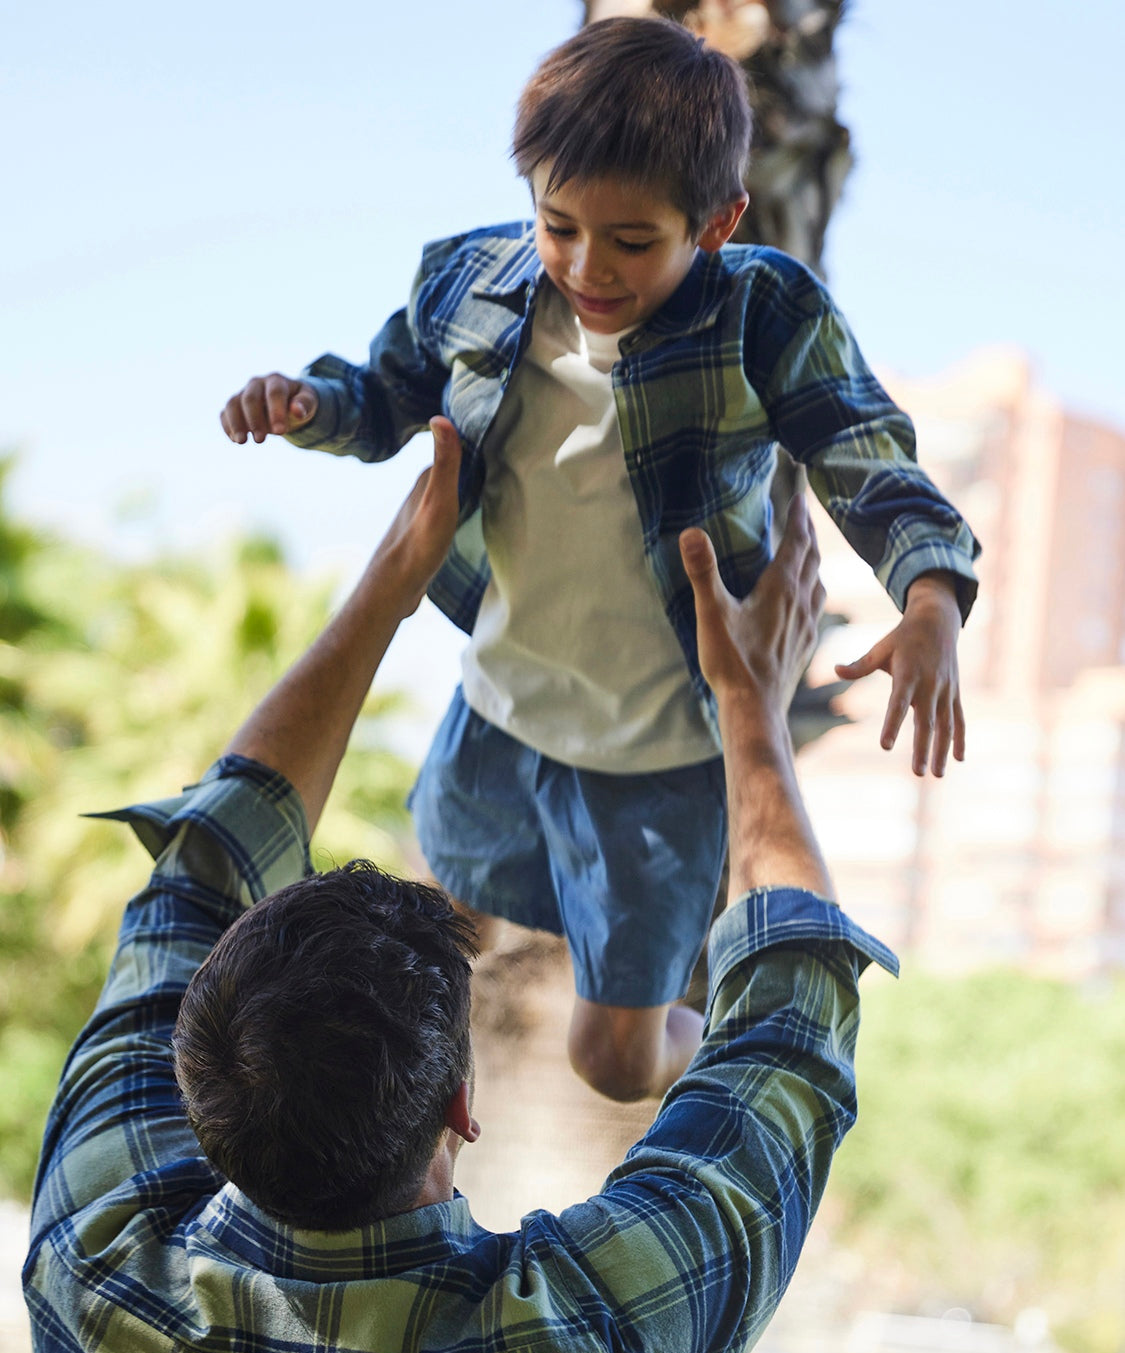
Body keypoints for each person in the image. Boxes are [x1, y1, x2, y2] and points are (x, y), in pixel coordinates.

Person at [26, 423, 895, 1353]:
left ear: (193, 1083)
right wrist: (751, 704)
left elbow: (790, 1023)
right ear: (459, 1108)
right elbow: (784, 1046)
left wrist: (393, 588)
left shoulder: (94, 1259)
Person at [220, 16, 964, 1102]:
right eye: (558, 224)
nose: (585, 267)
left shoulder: (759, 312)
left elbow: (864, 450)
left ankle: (703, 1014)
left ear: (716, 223)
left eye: (631, 241)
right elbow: (381, 395)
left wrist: (932, 591)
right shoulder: (473, 282)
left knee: (613, 1065)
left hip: (659, 764)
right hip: (502, 717)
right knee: (426, 939)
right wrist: (307, 405)